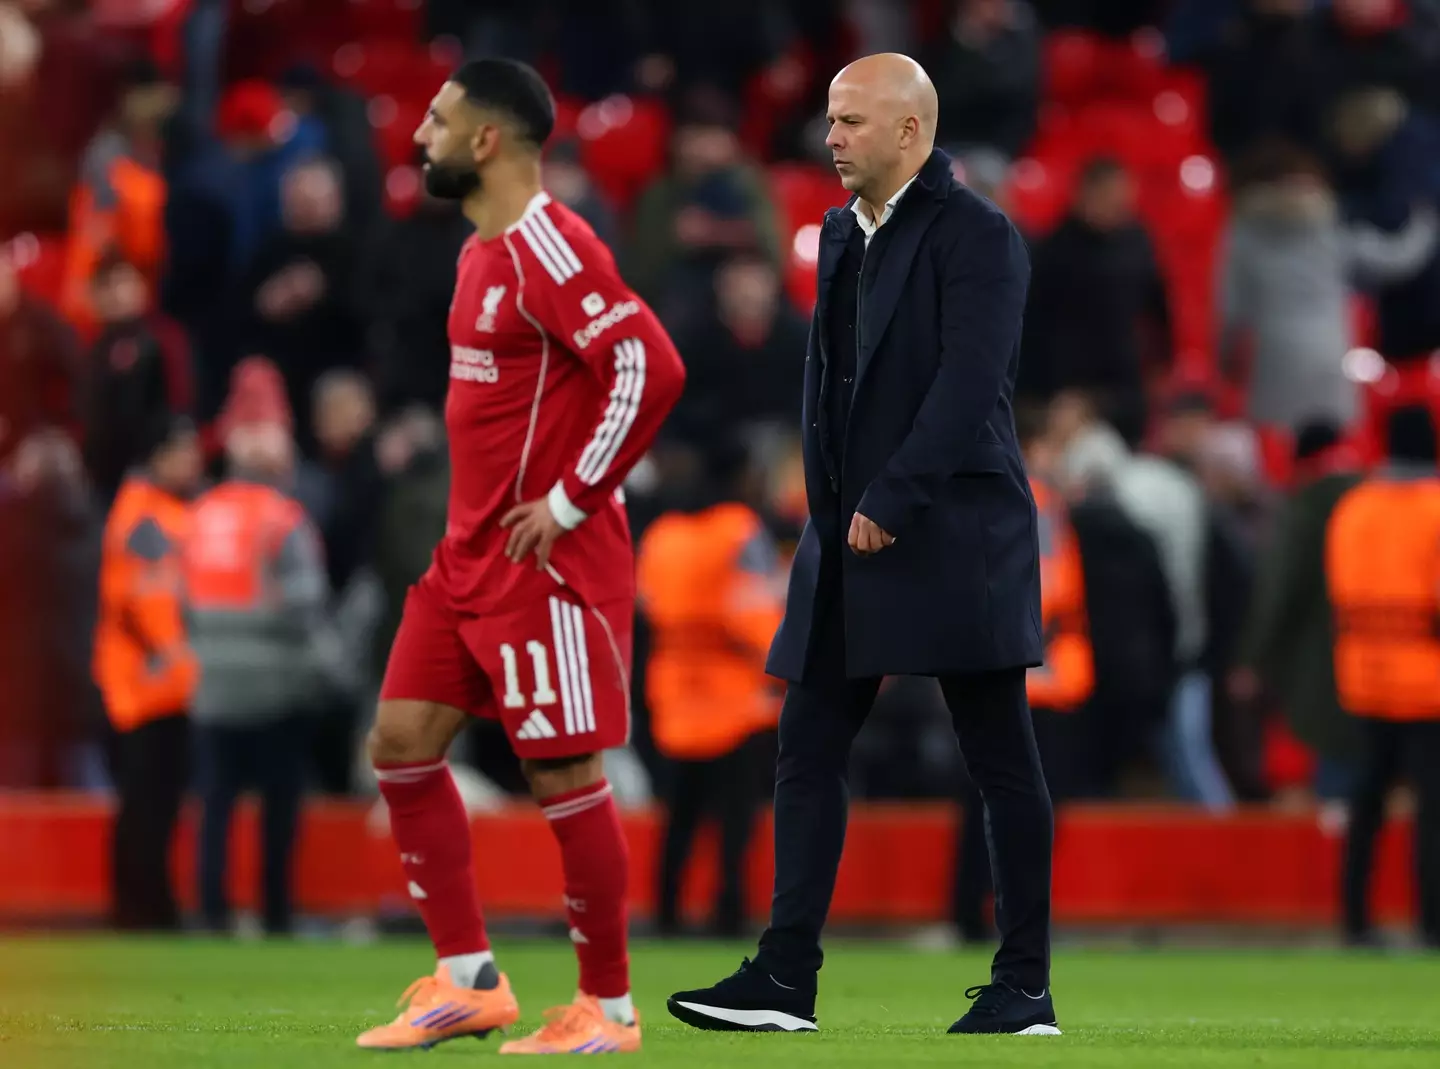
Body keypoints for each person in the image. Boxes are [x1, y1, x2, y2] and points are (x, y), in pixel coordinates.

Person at [667, 53, 1058, 1037]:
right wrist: (834, 503)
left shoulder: (980, 235)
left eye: (847, 121)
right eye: (830, 120)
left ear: (909, 133)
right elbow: (838, 384)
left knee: (997, 752)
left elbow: (971, 387)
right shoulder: (840, 233)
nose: (828, 137)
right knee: (805, 745)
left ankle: (1024, 985)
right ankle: (785, 976)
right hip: (848, 532)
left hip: (953, 524)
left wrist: (893, 492)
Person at [355, 60, 685, 1055]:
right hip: (464, 558)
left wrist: (572, 496)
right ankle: (468, 981)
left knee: (564, 774)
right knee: (401, 743)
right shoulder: (478, 253)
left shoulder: (553, 243)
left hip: (542, 565)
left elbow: (649, 364)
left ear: (487, 141)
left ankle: (611, 1011)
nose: (419, 136)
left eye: (439, 120)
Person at [182, 358, 341, 937]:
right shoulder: (284, 519)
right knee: (278, 808)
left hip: (212, 686)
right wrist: (331, 675)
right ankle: (275, 912)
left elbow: (179, 601)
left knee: (215, 806)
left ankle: (212, 911)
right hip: (277, 687)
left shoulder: (198, 516)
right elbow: (306, 607)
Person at [637, 433, 786, 938]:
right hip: (733, 693)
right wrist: (786, 665)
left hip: (674, 688)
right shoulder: (740, 530)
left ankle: (666, 913)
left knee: (678, 816)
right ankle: (728, 912)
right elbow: (753, 609)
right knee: (734, 820)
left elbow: (646, 606)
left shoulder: (663, 533)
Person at [952, 403, 1093, 940]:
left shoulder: (978, 491)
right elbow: (1052, 586)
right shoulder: (1036, 498)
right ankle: (1011, 921)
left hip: (994, 662)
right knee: (1023, 802)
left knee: (983, 801)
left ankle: (969, 913)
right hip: (1043, 673)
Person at [1324, 404, 1440, 949]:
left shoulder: (1354, 508)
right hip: (1427, 682)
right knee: (1432, 809)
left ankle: (1354, 918)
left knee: (1364, 805)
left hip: (1363, 676)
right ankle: (1432, 921)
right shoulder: (1435, 509)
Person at [93, 416, 202, 930]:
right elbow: (142, 599)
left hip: (156, 683)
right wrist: (179, 655)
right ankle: (143, 908)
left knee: (151, 804)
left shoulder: (156, 511)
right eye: (183, 452)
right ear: (159, 456)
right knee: (147, 804)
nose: (193, 462)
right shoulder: (145, 519)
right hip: (144, 686)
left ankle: (144, 904)